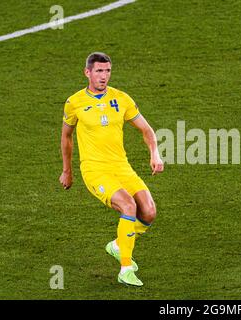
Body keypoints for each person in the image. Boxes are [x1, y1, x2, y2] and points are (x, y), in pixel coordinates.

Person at [59, 52, 164, 285]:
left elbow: (146, 130)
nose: (103, 76)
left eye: (107, 71)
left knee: (148, 212)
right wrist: (68, 171)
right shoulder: (74, 102)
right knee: (128, 205)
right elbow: (66, 137)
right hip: (95, 170)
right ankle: (126, 268)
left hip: (121, 166)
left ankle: (118, 244)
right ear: (87, 72)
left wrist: (154, 154)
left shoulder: (122, 99)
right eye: (99, 71)